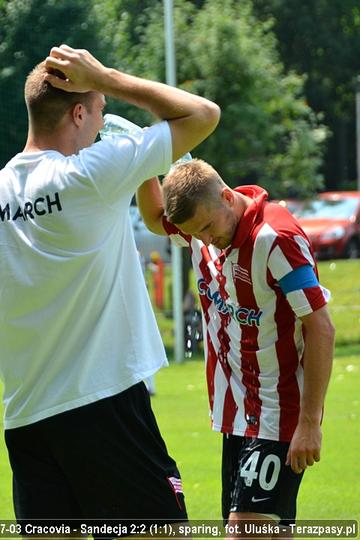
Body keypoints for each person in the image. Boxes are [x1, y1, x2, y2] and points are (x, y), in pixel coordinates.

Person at [0, 45, 220, 531]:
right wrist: (106, 76)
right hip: (103, 404)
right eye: (100, 111)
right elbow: (202, 114)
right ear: (78, 111)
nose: (104, 124)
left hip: (25, 421)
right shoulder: (89, 173)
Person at [137, 159, 335, 537]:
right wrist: (145, 158)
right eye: (197, 234)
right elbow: (152, 217)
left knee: (244, 531)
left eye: (209, 228)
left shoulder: (275, 239)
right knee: (268, 531)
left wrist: (309, 423)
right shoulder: (200, 226)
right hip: (237, 413)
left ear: (227, 198)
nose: (206, 241)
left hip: (280, 409)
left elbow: (320, 326)